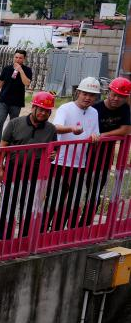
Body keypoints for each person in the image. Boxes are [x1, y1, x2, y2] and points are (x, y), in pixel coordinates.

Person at [0, 92, 58, 240]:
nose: (43, 113)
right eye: (41, 109)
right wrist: (0, 168)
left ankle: (24, 237)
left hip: (35, 171)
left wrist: (53, 155)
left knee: (29, 205)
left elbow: (54, 148)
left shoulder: (51, 129)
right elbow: (3, 146)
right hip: (13, 169)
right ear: (33, 108)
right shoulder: (15, 123)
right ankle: (3, 237)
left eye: (47, 111)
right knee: (8, 204)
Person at [45, 78, 101, 231]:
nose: (88, 98)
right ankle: (43, 232)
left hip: (80, 163)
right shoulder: (65, 108)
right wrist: (71, 129)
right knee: (54, 198)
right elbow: (55, 127)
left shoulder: (94, 112)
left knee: (74, 200)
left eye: (92, 95)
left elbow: (96, 133)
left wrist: (96, 137)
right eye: (85, 93)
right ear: (78, 92)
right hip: (61, 162)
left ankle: (58, 231)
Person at [86, 77, 131, 221]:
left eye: (121, 96)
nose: (116, 99)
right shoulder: (96, 109)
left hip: (105, 155)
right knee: (81, 186)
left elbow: (125, 130)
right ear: (108, 92)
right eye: (114, 94)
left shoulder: (125, 108)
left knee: (97, 188)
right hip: (87, 154)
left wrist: (103, 135)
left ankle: (86, 222)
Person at [0, 50, 32, 146]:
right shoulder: (7, 68)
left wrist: (20, 70)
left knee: (13, 124)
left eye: (20, 58)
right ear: (13, 57)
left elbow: (27, 83)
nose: (18, 59)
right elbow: (1, 81)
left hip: (16, 102)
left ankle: (9, 144)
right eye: (16, 57)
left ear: (24, 59)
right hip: (4, 100)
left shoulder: (27, 70)